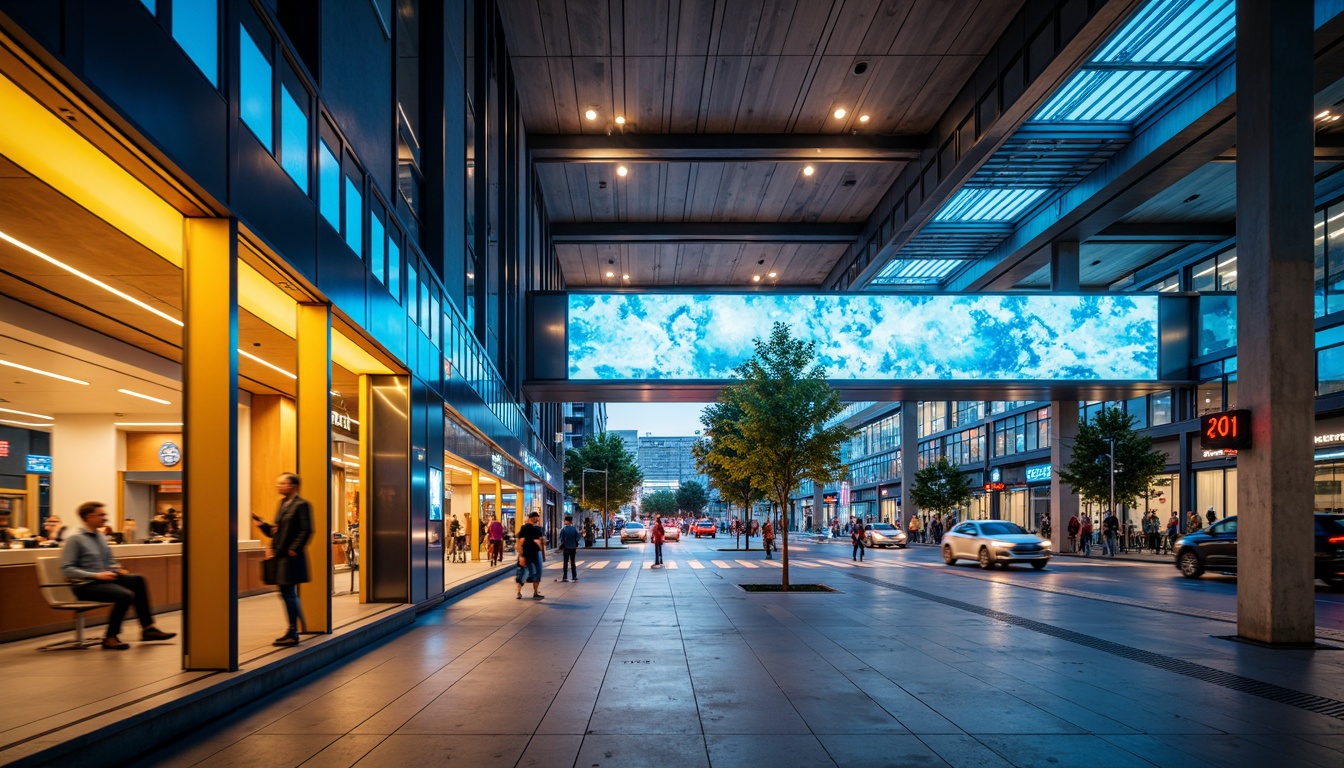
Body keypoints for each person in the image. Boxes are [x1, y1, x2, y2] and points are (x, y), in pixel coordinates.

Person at [60, 502, 176, 650]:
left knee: (138, 580)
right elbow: (67, 569)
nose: (105, 517)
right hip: (85, 585)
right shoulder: (75, 539)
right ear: (88, 517)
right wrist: (97, 575)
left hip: (104, 579)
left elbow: (109, 561)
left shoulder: (101, 537)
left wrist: (117, 569)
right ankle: (110, 637)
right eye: (101, 515)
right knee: (125, 595)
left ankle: (148, 629)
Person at [253, 473, 313, 647]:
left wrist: (294, 549)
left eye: (282, 483)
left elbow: (306, 530)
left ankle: (293, 631)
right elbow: (277, 530)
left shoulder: (301, 505)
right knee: (287, 593)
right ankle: (295, 628)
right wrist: (263, 525)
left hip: (290, 557)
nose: (278, 486)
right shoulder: (282, 504)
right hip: (281, 556)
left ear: (292, 486)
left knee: (288, 593)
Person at [515, 511, 546, 599]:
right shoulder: (527, 528)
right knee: (534, 572)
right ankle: (534, 592)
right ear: (533, 518)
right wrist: (521, 555)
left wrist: (520, 555)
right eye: (537, 517)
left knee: (523, 572)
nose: (538, 519)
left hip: (530, 553)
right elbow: (521, 542)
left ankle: (520, 592)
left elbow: (520, 542)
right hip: (531, 553)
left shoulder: (535, 528)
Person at [558, 514, 580, 581]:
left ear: (567, 521)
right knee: (573, 562)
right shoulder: (574, 528)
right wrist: (574, 541)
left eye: (565, 520)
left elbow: (561, 538)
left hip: (566, 547)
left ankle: (565, 576)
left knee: (565, 562)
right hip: (573, 547)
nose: (564, 522)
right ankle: (574, 576)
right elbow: (578, 537)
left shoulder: (564, 529)